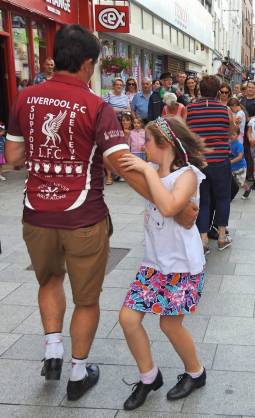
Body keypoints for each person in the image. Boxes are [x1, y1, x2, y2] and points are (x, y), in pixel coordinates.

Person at [4, 24, 196, 401]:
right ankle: (77, 373)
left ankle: (53, 348)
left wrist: (46, 155)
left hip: (36, 214)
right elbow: (124, 165)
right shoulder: (96, 106)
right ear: (88, 63)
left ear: (55, 56)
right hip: (83, 218)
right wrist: (171, 206)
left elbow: (12, 158)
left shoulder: (25, 98)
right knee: (87, 300)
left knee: (48, 282)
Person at [117, 116, 207, 410]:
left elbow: (169, 207)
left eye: (147, 140)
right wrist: (146, 169)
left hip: (182, 265)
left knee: (169, 324)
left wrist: (146, 169)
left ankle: (196, 372)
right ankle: (148, 376)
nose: (142, 145)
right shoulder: (153, 171)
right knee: (128, 319)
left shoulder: (189, 175)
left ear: (165, 144)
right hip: (153, 263)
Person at [187, 75, 233, 252]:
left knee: (203, 201)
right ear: (216, 91)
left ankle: (203, 240)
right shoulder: (224, 110)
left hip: (199, 161)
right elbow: (229, 132)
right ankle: (221, 237)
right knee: (222, 198)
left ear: (200, 90)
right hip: (221, 160)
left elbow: (187, 133)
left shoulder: (190, 109)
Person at [230, 126, 250, 200]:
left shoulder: (239, 145)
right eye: (230, 134)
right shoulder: (228, 143)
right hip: (231, 167)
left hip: (240, 167)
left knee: (241, 182)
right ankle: (230, 193)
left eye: (233, 134)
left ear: (238, 135)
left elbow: (240, 157)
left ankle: (247, 189)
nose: (231, 136)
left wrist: (230, 161)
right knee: (230, 181)